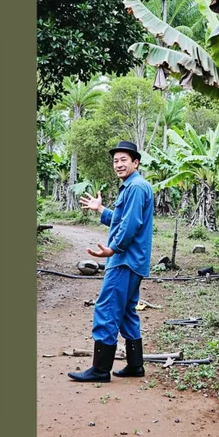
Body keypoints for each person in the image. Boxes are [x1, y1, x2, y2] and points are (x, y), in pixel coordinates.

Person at [68, 141, 154, 382]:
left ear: (135, 162)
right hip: (134, 261)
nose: (118, 164)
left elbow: (131, 224)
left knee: (106, 309)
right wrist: (101, 210)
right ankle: (135, 365)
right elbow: (122, 218)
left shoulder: (135, 187)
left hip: (124, 260)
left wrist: (113, 249)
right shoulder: (133, 186)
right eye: (115, 160)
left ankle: (100, 369)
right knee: (127, 311)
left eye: (123, 159)